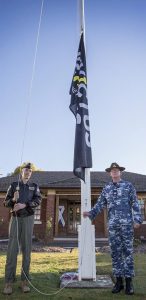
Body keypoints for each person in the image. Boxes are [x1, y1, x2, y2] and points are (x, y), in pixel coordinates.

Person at [83, 162, 142, 295]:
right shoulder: (107, 188)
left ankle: (129, 283)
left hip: (126, 225)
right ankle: (119, 282)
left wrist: (137, 219)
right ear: (110, 173)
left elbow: (135, 203)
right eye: (112, 170)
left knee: (127, 252)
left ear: (120, 172)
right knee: (115, 254)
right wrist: (90, 213)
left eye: (117, 170)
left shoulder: (128, 186)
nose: (114, 172)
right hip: (113, 226)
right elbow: (100, 204)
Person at [3, 162, 42, 295]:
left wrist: (25, 205)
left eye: (29, 171)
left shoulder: (34, 186)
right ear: (22, 172)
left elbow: (38, 201)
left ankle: (24, 281)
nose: (27, 173)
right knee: (12, 250)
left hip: (28, 219)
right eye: (26, 170)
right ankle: (8, 282)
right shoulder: (14, 185)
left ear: (31, 173)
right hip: (15, 218)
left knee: (27, 250)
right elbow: (5, 203)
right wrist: (13, 200)